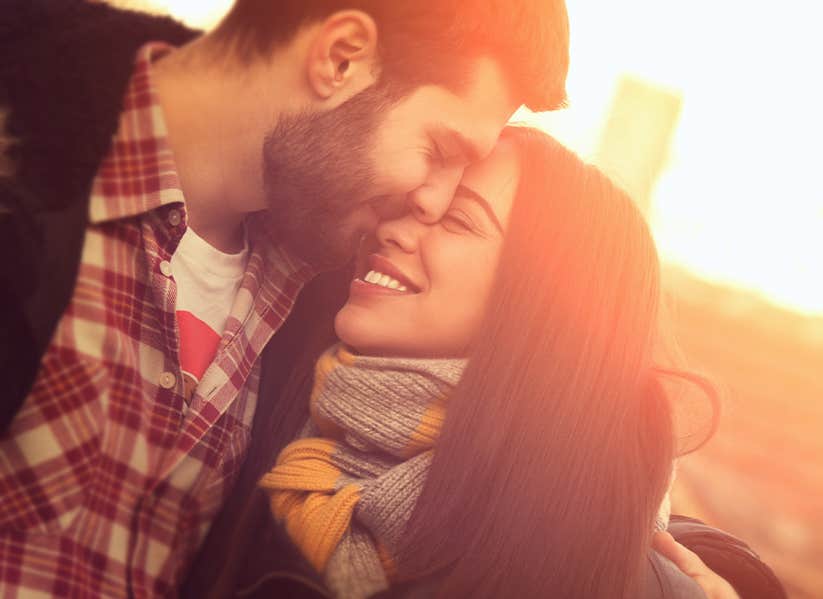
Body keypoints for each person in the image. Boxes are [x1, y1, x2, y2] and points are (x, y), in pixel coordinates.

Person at [0, 0, 568, 595]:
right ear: (340, 57)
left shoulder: (325, 287)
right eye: (440, 152)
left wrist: (652, 556)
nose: (433, 202)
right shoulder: (23, 176)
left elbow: (530, 390)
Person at [182, 126, 780, 598]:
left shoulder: (587, 560)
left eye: (460, 219)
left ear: (538, 307)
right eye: (416, 201)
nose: (396, 229)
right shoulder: (262, 373)